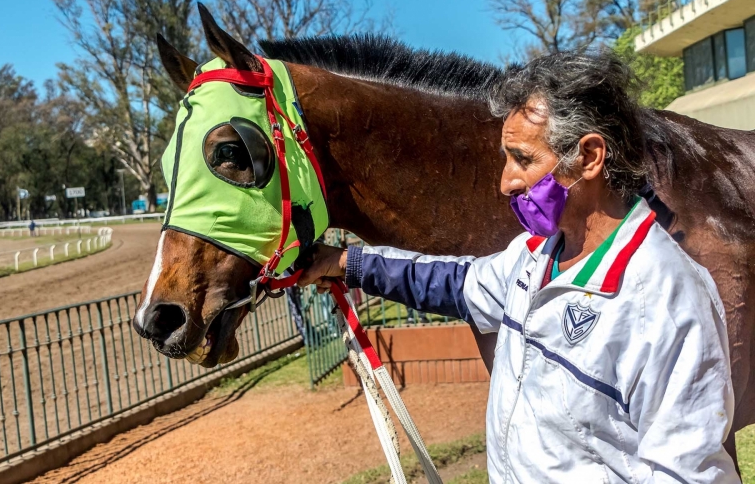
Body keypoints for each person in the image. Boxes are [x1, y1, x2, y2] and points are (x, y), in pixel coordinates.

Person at [299, 51, 738, 483]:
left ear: (589, 157)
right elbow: (458, 284)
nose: (505, 181)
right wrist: (343, 263)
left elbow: (688, 474)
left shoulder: (664, 298)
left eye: (523, 159)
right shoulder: (537, 253)